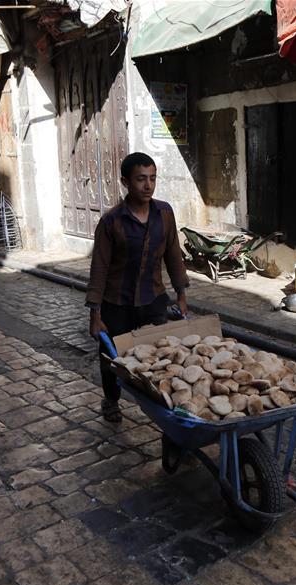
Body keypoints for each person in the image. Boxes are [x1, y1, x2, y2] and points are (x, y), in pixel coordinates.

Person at [86, 152, 190, 422]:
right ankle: (111, 400)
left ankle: (167, 409)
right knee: (112, 358)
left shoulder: (164, 214)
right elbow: (99, 268)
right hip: (116, 303)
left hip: (153, 299)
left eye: (153, 178)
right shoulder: (112, 222)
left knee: (164, 356)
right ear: (126, 182)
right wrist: (95, 315)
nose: (148, 185)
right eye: (141, 179)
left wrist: (181, 294)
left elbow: (173, 256)